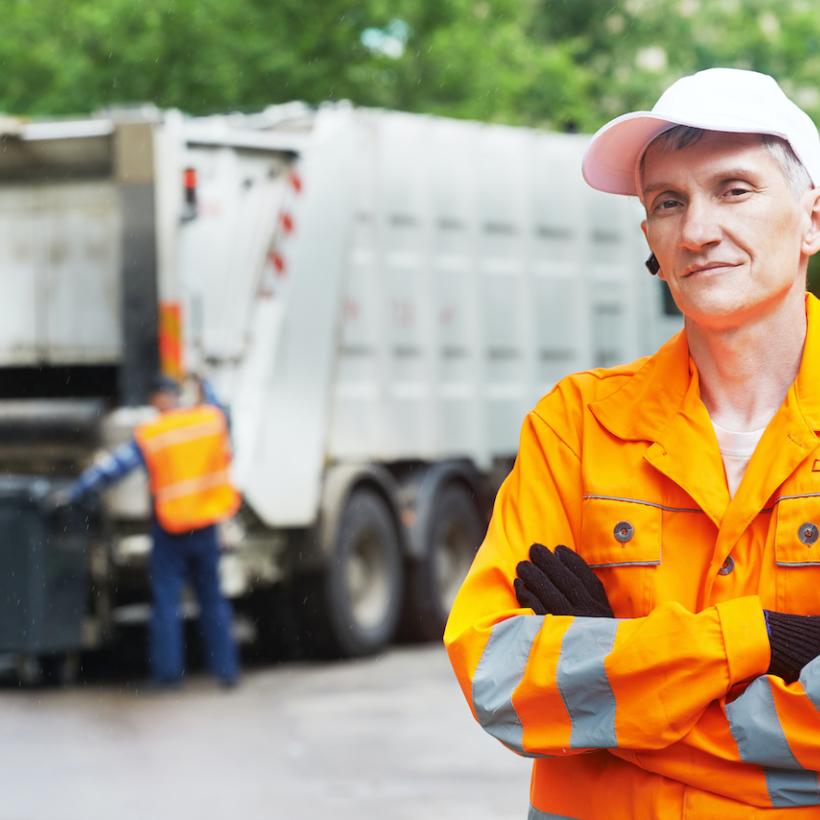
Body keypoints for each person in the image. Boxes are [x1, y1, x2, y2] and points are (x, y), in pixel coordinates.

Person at [444, 67, 820, 818]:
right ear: (648, 238)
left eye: (734, 189)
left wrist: (611, 678)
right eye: (668, 203)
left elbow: (555, 698)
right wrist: (754, 638)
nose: (698, 229)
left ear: (812, 218)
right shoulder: (576, 426)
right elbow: (499, 681)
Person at [59, 374, 241, 688]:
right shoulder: (208, 421)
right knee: (212, 600)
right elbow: (221, 412)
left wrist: (74, 492)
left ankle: (169, 677)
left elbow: (114, 468)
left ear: (158, 399)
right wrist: (204, 381)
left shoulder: (154, 434)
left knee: (167, 603)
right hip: (206, 527)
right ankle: (226, 673)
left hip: (171, 531)